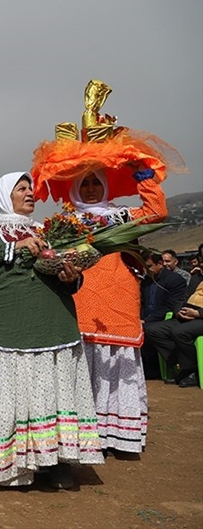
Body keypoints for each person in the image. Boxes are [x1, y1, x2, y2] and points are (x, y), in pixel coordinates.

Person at [0, 172, 103, 489]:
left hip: (52, 324)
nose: (29, 193)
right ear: (2, 195)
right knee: (8, 396)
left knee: (53, 394)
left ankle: (58, 463)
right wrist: (18, 246)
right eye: (21, 189)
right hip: (5, 329)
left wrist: (71, 276)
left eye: (30, 188)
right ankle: (5, 464)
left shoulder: (49, 231)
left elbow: (69, 276)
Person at [65, 168, 166, 456]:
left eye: (97, 181)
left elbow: (157, 211)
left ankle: (121, 436)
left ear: (106, 185)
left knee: (118, 369)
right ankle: (86, 434)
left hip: (119, 300)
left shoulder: (123, 216)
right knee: (83, 367)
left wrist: (141, 174)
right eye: (84, 183)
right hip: (80, 301)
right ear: (75, 188)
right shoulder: (67, 222)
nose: (91, 188)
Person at [139, 250, 188, 377]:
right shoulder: (146, 281)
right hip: (147, 318)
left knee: (147, 329)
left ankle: (173, 362)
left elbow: (171, 306)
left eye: (149, 266)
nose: (146, 270)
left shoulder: (175, 280)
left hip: (164, 319)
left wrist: (147, 320)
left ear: (160, 264)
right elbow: (143, 303)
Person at [146, 280, 203, 388]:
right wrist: (178, 311)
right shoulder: (197, 278)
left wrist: (198, 313)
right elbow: (182, 299)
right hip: (187, 315)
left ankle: (189, 372)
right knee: (154, 331)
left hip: (200, 317)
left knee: (180, 332)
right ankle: (185, 367)